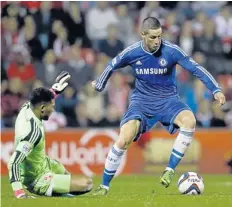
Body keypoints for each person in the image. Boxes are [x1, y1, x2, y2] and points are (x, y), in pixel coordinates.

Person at [91, 17, 226, 195]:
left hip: (168, 100)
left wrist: (215, 89)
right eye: (153, 37)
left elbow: (196, 68)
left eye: (160, 36)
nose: (157, 41)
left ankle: (169, 170)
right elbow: (111, 65)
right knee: (124, 138)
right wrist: (99, 85)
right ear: (143, 34)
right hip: (141, 102)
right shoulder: (132, 52)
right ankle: (104, 186)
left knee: (190, 121)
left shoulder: (171, 51)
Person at [8, 71, 93, 199]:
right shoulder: (32, 133)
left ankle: (60, 189)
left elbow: (42, 97)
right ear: (42, 108)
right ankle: (52, 189)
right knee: (87, 183)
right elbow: (13, 163)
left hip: (43, 163)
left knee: (61, 169)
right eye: (52, 107)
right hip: (37, 178)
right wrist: (19, 193)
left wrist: (55, 90)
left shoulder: (27, 107)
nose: (53, 110)